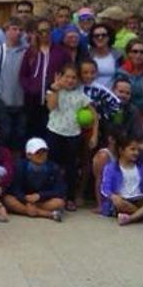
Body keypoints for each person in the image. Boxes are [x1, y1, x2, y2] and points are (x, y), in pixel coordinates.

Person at [46, 63, 96, 211]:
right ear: (60, 77)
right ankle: (51, 196)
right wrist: (55, 88)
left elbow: (94, 114)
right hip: (54, 131)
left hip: (73, 134)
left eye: (74, 78)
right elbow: (51, 106)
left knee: (71, 168)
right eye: (67, 77)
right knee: (52, 165)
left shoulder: (81, 96)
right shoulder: (53, 91)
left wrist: (94, 134)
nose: (70, 80)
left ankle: (70, 197)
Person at [91, 78, 143, 213]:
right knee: (101, 158)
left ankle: (135, 208)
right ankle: (101, 204)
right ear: (113, 90)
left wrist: (127, 149)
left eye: (127, 93)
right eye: (120, 91)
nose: (123, 95)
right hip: (111, 149)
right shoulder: (103, 106)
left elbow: (136, 138)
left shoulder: (133, 111)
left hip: (128, 150)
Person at [19, 18, 70, 141]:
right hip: (33, 101)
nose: (44, 34)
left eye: (47, 31)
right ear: (36, 33)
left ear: (52, 31)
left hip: (53, 101)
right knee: (32, 132)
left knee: (50, 134)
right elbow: (23, 74)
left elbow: (68, 73)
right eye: (41, 31)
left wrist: (59, 85)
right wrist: (30, 88)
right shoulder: (30, 52)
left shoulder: (61, 53)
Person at [0, 17, 27, 151]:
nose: (18, 32)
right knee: (5, 133)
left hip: (21, 101)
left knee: (20, 134)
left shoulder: (26, 52)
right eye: (14, 29)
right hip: (3, 101)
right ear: (6, 31)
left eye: (20, 30)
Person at [3, 138, 66, 221]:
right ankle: (47, 214)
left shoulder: (53, 167)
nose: (42, 155)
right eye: (37, 153)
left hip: (41, 200)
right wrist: (25, 199)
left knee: (59, 203)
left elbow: (60, 189)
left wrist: (39, 196)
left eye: (44, 152)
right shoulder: (19, 166)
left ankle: (29, 210)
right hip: (23, 199)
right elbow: (14, 188)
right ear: (29, 155)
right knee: (8, 199)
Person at [100, 133, 143, 225]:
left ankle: (130, 218)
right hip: (122, 200)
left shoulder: (141, 167)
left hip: (138, 198)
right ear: (121, 150)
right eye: (132, 149)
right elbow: (104, 188)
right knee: (119, 203)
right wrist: (112, 196)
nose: (136, 153)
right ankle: (141, 214)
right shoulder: (111, 168)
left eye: (137, 150)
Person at [116, 39, 143, 114]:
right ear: (128, 54)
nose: (138, 55)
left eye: (142, 52)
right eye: (135, 51)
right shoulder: (121, 73)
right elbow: (120, 97)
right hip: (127, 114)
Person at [89, 23, 121, 89]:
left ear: (109, 37)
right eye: (96, 36)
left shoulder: (118, 55)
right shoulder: (87, 55)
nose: (100, 38)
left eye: (104, 35)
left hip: (112, 95)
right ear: (92, 38)